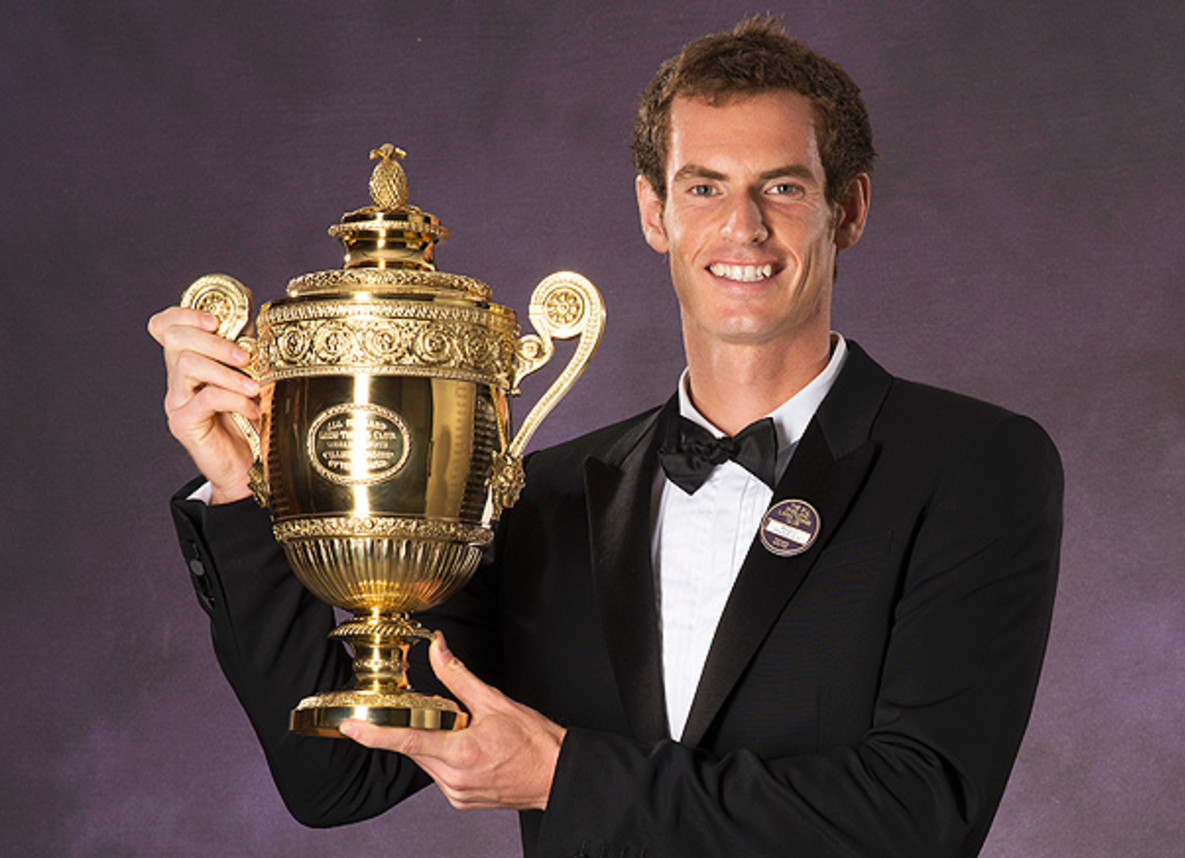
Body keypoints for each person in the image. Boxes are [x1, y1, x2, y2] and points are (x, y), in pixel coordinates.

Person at [149, 17, 1062, 857]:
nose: (742, 227)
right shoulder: (542, 497)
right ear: (653, 211)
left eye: (782, 187)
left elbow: (920, 813)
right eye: (703, 187)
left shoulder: (973, 466)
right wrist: (241, 489)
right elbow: (336, 777)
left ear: (848, 210)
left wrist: (563, 777)